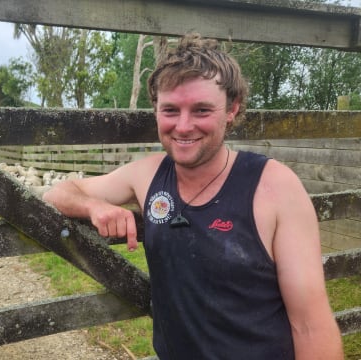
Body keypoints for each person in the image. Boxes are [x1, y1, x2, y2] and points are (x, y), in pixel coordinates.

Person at [43, 33, 343, 359]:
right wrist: (93, 207)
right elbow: (57, 193)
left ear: (232, 109)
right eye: (170, 110)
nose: (183, 127)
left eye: (201, 110)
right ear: (155, 110)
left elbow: (311, 326)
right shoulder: (147, 175)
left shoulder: (275, 188)